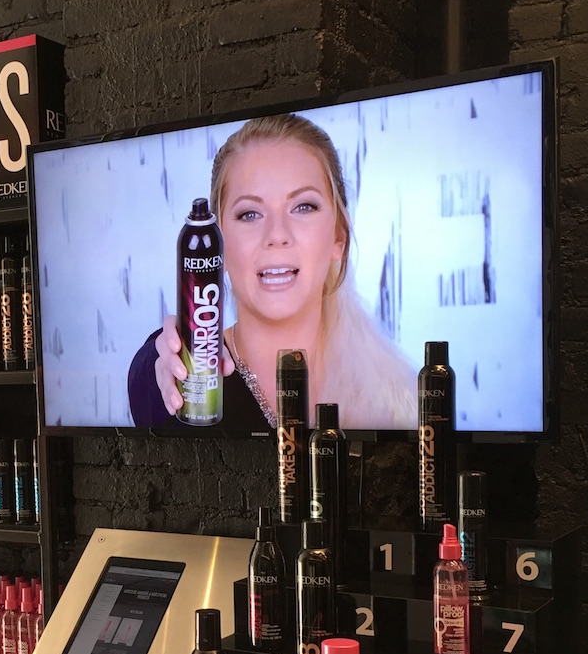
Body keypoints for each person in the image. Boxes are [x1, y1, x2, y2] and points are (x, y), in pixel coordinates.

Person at [127, 113, 417, 431]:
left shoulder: (400, 405)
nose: (277, 235)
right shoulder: (179, 385)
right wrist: (157, 363)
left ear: (338, 237)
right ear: (218, 244)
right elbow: (149, 382)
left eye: (303, 207)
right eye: (250, 214)